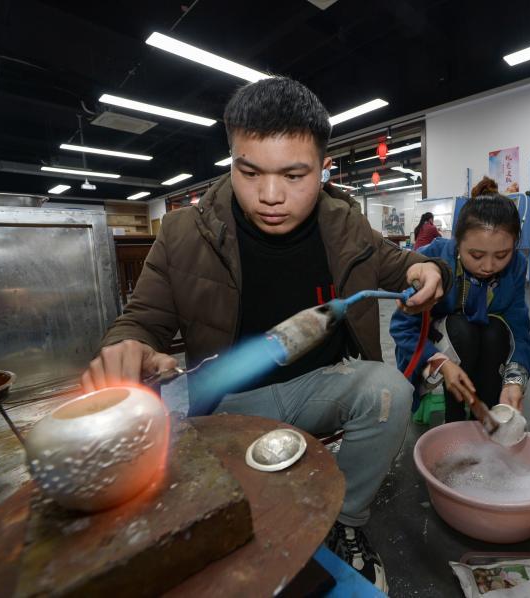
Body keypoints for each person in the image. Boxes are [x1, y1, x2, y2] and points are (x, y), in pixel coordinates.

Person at [81, 77, 451, 591]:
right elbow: (141, 319)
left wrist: (428, 270)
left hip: (320, 387)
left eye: (294, 175)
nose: (270, 196)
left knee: (388, 391)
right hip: (227, 405)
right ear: (231, 160)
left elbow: (405, 264)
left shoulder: (346, 226)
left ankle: (344, 521)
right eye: (249, 172)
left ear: (323, 168)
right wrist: (129, 347)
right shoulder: (185, 234)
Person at [391, 176, 530, 423]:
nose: (488, 266)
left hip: (485, 343)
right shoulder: (432, 258)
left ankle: (487, 417)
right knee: (462, 329)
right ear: (457, 242)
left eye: (502, 255)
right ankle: (455, 420)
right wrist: (439, 362)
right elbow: (402, 327)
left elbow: (519, 329)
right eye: (476, 255)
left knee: (496, 331)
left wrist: (514, 381)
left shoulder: (516, 266)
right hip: (434, 347)